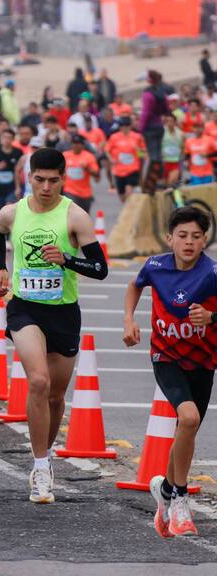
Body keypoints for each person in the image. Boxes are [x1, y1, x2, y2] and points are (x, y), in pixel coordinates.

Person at [0, 147, 107, 504]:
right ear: (29, 177)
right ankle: (40, 467)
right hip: (24, 308)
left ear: (63, 179)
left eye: (53, 181)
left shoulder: (75, 217)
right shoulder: (13, 212)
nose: (45, 187)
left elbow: (100, 269)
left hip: (63, 312)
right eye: (39, 180)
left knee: (55, 396)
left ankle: (45, 454)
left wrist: (68, 260)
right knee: (37, 381)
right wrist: (1, 268)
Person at [123, 207, 217, 538]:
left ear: (205, 240)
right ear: (169, 238)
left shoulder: (212, 272)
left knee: (186, 429)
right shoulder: (155, 266)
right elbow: (134, 286)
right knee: (188, 418)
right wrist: (129, 320)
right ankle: (179, 500)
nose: (189, 242)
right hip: (166, 357)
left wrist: (211, 318)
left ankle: (163, 490)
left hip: (203, 360)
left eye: (196, 236)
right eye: (182, 235)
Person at [106, 116, 146, 201]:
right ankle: (129, 207)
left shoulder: (137, 137)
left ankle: (130, 208)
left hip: (132, 169)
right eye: (122, 126)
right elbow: (107, 150)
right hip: (119, 170)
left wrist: (138, 150)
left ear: (130, 126)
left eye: (126, 126)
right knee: (122, 198)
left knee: (129, 193)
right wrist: (111, 159)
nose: (124, 128)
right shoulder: (114, 137)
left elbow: (142, 154)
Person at [0, 128, 23, 215]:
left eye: (9, 137)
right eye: (4, 137)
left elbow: (21, 169)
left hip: (12, 187)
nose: (6, 140)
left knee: (10, 209)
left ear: (13, 139)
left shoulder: (18, 152)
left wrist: (18, 187)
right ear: (1, 138)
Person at [61, 134, 100, 214]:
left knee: (84, 215)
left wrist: (87, 168)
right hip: (69, 191)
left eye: (78, 143)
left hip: (85, 193)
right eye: (74, 143)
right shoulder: (65, 155)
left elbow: (96, 175)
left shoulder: (89, 157)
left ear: (83, 145)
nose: (76, 145)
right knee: (72, 213)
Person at [139, 70, 169, 166]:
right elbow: (166, 109)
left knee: (152, 154)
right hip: (159, 126)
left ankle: (154, 173)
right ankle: (160, 172)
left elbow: (146, 112)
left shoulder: (147, 94)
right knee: (159, 152)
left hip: (150, 127)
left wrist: (141, 127)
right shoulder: (162, 93)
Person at [162, 113, 184, 186]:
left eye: (171, 121)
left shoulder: (180, 133)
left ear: (175, 122)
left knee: (171, 183)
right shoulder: (161, 132)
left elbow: (182, 147)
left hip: (175, 162)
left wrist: (182, 159)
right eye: (167, 121)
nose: (169, 123)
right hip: (164, 162)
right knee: (164, 185)